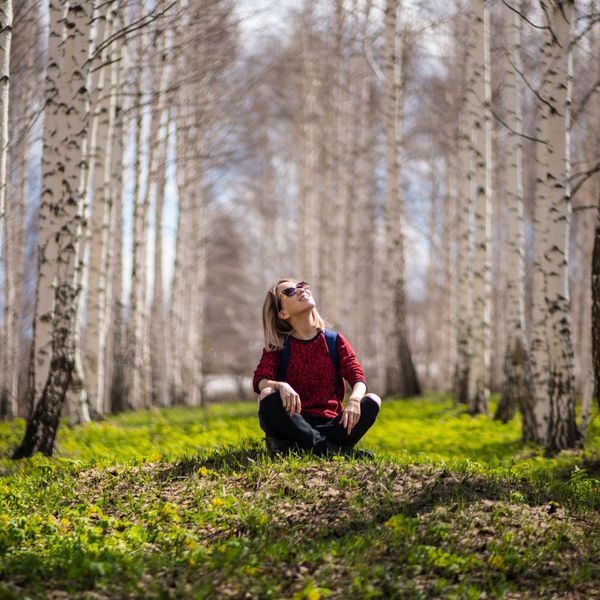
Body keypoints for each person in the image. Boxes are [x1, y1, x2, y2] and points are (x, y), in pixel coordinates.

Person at [253, 278, 381, 458]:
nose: (300, 290)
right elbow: (260, 381)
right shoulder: (278, 346)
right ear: (282, 313)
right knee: (267, 395)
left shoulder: (334, 341)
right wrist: (280, 385)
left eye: (301, 286)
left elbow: (357, 377)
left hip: (332, 426)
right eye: (289, 292)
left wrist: (354, 400)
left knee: (372, 400)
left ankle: (303, 447)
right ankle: (330, 450)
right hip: (293, 423)